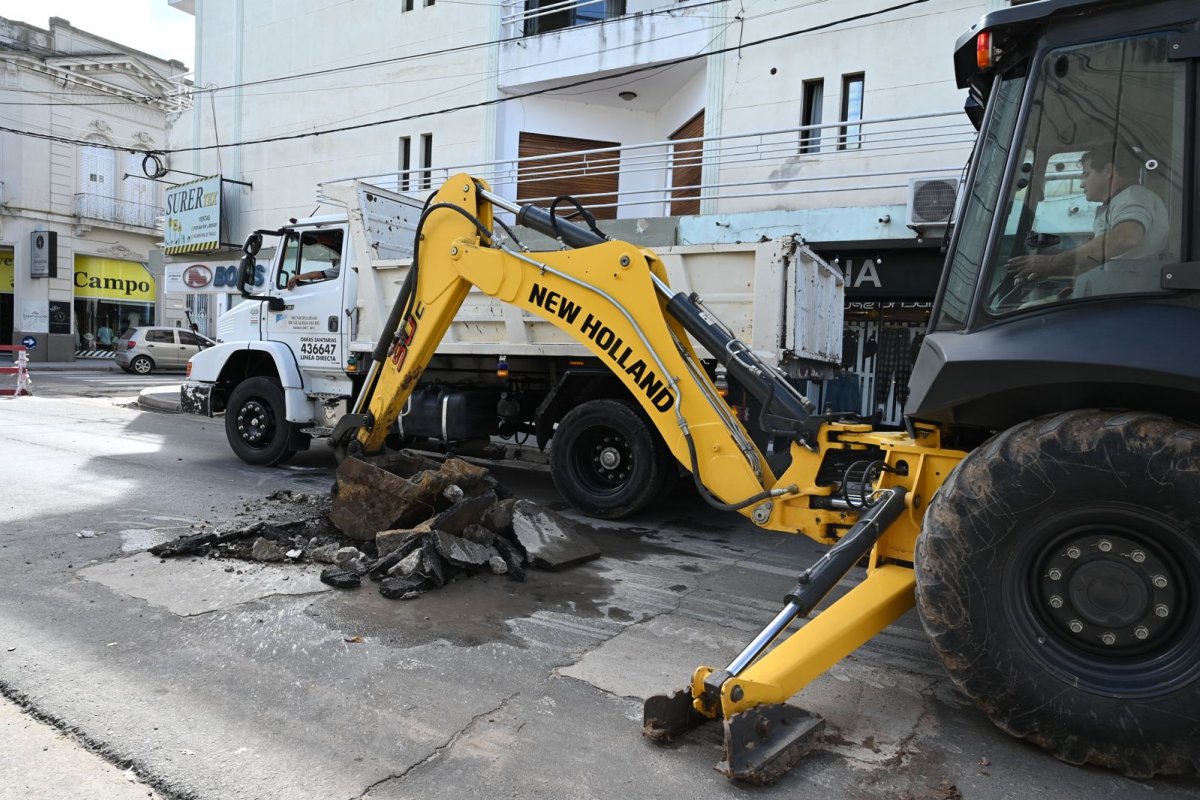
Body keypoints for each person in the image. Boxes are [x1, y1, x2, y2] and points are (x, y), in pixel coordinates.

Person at [1007, 142, 1168, 296]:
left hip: (1128, 297)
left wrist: (1052, 262)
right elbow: (1095, 261)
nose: (1082, 184)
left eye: (1086, 175)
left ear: (1108, 171)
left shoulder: (1135, 197)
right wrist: (1049, 269)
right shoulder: (1120, 202)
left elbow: (1126, 238)